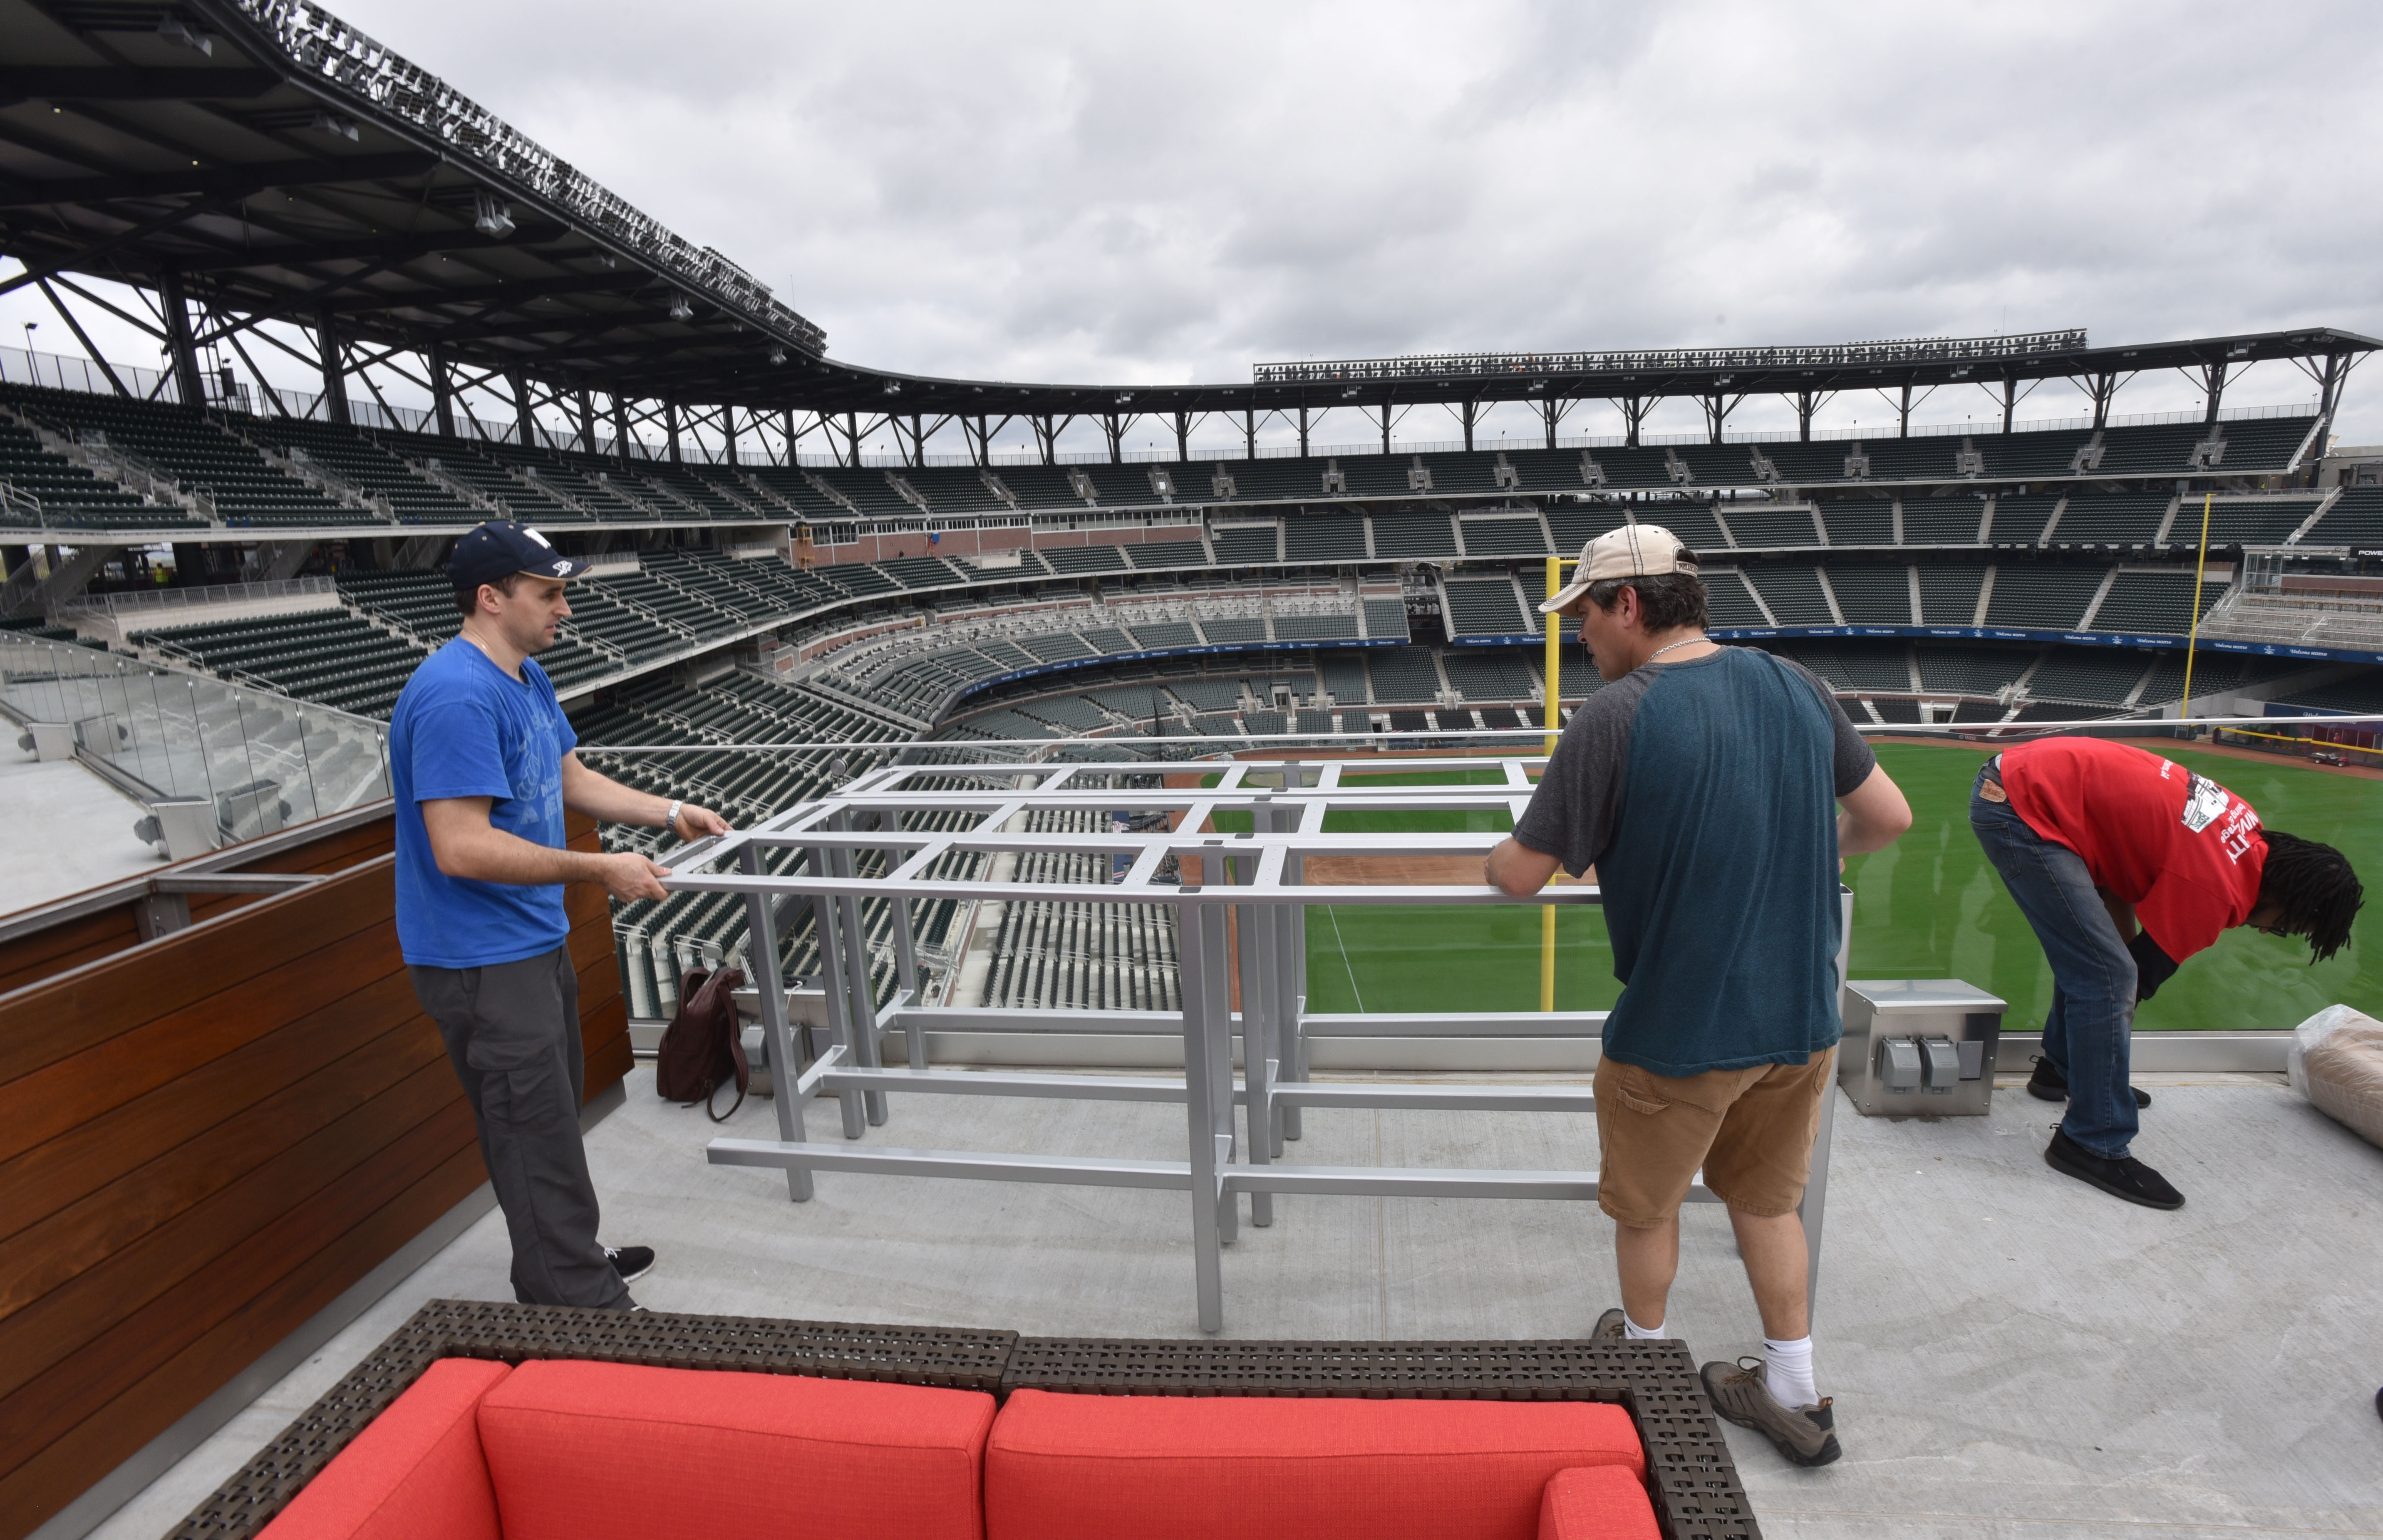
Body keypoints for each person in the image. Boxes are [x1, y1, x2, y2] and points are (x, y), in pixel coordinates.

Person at [1484, 525, 1912, 1470]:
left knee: (1648, 1207)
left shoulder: (1613, 714)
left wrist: (1492, 851)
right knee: (1768, 1204)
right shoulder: (1796, 681)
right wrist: (1796, 853)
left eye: (1585, 615)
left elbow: (1519, 874)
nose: (1580, 638)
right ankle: (1796, 1393)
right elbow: (1888, 815)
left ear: (1627, 604)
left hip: (1680, 1029)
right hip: (1799, 1019)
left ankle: (1642, 1370)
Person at [390, 522, 730, 1311]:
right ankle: (574, 1298)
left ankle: (570, 1255)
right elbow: (461, 846)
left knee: (548, 1117)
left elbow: (570, 777)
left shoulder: (525, 679)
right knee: (528, 1126)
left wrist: (668, 810)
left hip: (527, 939)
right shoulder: (454, 694)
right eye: (548, 592)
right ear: (490, 597)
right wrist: (599, 868)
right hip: (480, 955)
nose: (565, 609)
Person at [1970, 736, 2361, 1209]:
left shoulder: (2245, 833)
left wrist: (2096, 1065)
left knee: (2099, 962)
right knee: (2108, 977)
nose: (2269, 933)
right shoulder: (2219, 890)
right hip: (2023, 806)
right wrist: (2106, 1075)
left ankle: (2061, 1070)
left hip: (2036, 788)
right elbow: (2134, 981)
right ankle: (2093, 1141)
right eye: (2287, 926)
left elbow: (2120, 901)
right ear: (2289, 900)